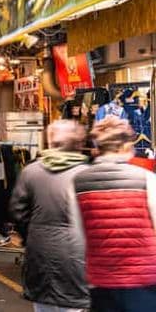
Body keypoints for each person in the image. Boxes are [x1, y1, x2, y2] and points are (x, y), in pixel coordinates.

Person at [73, 116, 156, 311]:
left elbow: (78, 235)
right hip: (143, 280)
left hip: (101, 280)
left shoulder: (79, 181)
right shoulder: (146, 179)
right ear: (125, 146)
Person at [10, 120, 90, 312]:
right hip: (77, 253)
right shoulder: (87, 174)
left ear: (50, 142)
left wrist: (31, 236)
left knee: (44, 304)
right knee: (73, 306)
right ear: (79, 144)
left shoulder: (31, 171)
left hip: (40, 250)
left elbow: (17, 211)